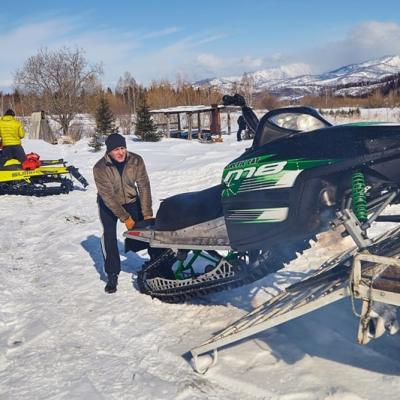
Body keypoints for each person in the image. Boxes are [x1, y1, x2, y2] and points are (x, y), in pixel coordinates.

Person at [93, 133, 153, 294]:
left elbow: (144, 186)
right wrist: (125, 218)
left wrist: (147, 213)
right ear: (109, 151)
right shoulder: (100, 168)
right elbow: (108, 197)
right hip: (108, 205)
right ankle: (112, 274)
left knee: (149, 230)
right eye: (116, 150)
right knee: (110, 235)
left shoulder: (136, 160)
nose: (120, 152)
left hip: (132, 200)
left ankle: (157, 263)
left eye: (122, 148)